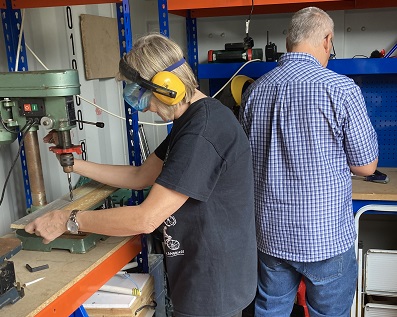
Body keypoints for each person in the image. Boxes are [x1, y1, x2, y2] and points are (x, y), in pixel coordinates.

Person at [25, 33, 257, 317]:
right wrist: (74, 163)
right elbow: (141, 175)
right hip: (203, 273)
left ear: (166, 87)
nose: (143, 106)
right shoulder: (193, 120)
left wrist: (67, 220)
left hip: (211, 285)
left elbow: (146, 218)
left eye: (141, 94)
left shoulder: (202, 132)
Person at [239, 7, 378, 317]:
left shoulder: (255, 92)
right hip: (325, 237)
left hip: (271, 235)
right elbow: (366, 167)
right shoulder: (342, 89)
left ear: (290, 41)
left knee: (271, 311)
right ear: (327, 40)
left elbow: (245, 161)